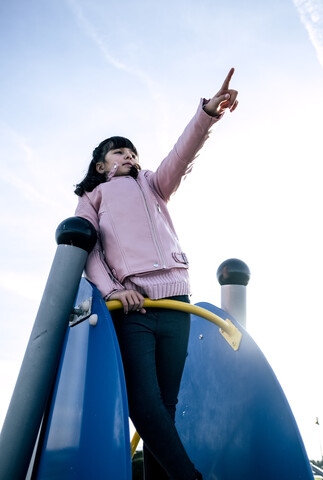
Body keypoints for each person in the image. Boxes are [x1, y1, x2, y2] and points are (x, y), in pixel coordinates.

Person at [74, 68, 238, 480]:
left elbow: (181, 156)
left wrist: (207, 114)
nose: (129, 156)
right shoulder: (93, 198)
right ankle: (190, 478)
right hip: (135, 307)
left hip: (176, 302)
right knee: (144, 404)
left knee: (165, 408)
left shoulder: (153, 184)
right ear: (100, 165)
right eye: (119, 152)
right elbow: (88, 251)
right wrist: (114, 289)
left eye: (132, 152)